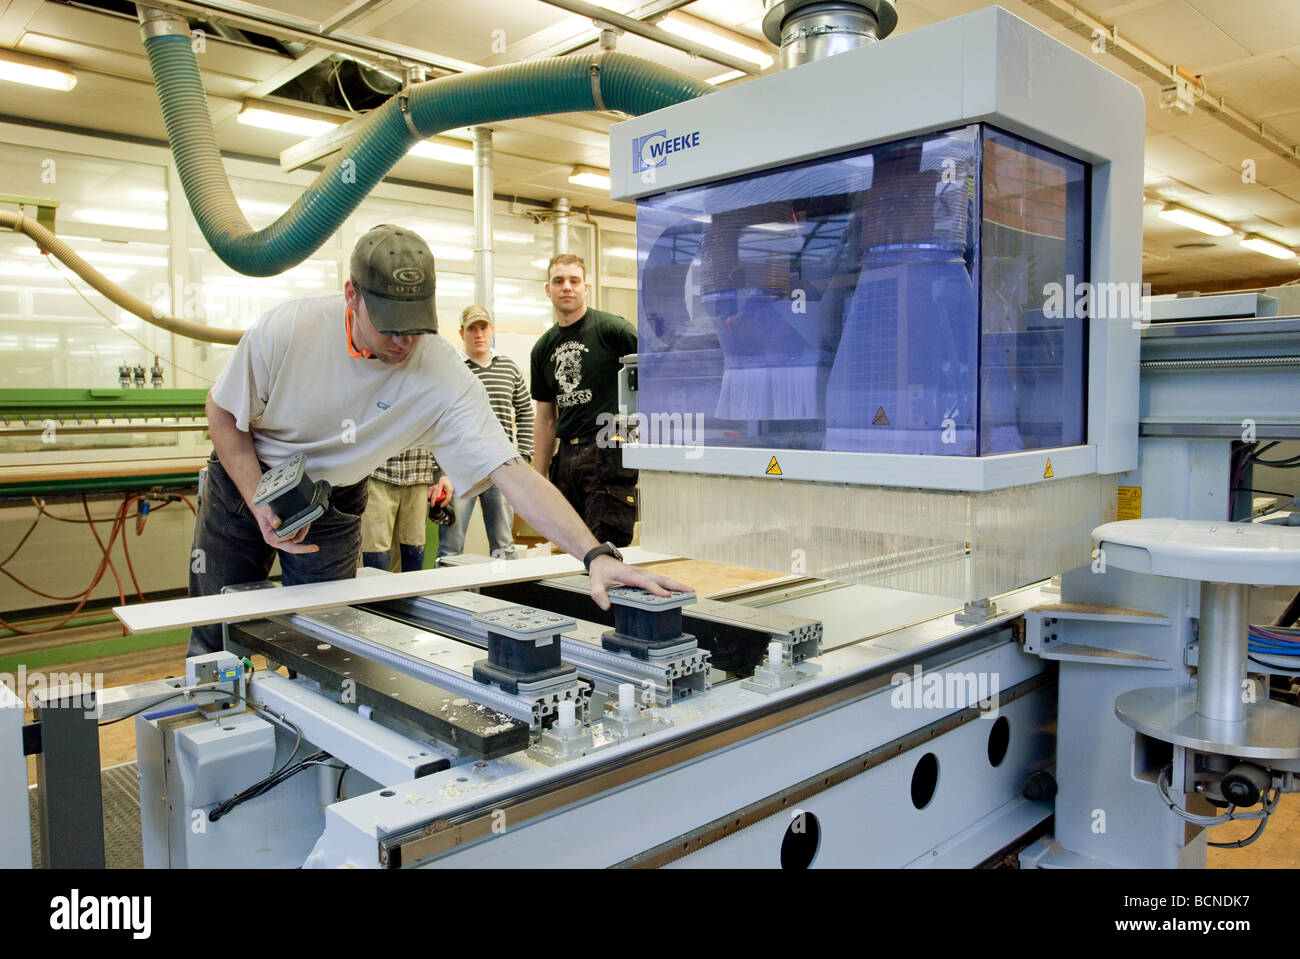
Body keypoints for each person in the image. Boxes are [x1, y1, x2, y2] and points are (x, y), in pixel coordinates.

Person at [188, 225, 686, 656]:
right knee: (217, 627)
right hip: (244, 482)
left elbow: (509, 471)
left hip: (334, 498)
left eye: (415, 326)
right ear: (351, 296)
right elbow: (223, 412)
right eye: (389, 327)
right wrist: (260, 501)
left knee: (326, 639)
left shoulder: (438, 371)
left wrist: (595, 555)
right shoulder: (288, 330)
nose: (403, 342)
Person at [530, 253, 639, 548]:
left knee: (606, 546)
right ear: (548, 289)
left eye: (574, 280)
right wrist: (538, 477)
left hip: (607, 449)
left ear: (586, 287)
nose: (567, 287)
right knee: (570, 548)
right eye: (559, 281)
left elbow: (654, 381)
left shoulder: (613, 330)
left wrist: (638, 440)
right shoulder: (542, 348)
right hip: (565, 457)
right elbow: (545, 417)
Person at [437, 305, 533, 562]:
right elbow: (438, 419)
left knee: (503, 545)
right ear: (461, 332)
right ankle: (446, 598)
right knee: (450, 546)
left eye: (483, 327)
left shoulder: (509, 368)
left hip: (501, 468)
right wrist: (441, 472)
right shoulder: (451, 369)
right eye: (471, 328)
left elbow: (525, 412)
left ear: (492, 330)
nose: (478, 334)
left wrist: (523, 456)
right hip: (460, 469)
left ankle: (509, 597)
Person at [360, 448, 453, 572]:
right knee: (375, 553)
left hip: (418, 471)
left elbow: (432, 430)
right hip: (377, 471)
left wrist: (439, 474)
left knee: (414, 551)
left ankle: (413, 592)